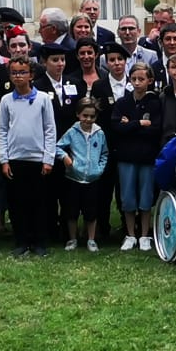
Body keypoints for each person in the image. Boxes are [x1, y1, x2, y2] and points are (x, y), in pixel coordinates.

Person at [0, 56, 57, 258]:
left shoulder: (42, 99)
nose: (18, 76)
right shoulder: (6, 100)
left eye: (22, 72)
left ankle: (39, 241)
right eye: (14, 72)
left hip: (37, 159)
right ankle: (21, 241)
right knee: (17, 203)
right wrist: (4, 159)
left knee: (39, 203)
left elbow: (50, 129)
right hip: (15, 159)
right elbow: (2, 130)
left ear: (31, 75)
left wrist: (48, 158)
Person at [111, 61, 163, 251]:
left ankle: (144, 235)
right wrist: (139, 123)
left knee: (146, 196)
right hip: (126, 156)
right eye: (133, 79)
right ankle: (130, 234)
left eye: (141, 79)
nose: (137, 82)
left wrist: (130, 124)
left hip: (147, 157)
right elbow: (117, 127)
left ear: (149, 80)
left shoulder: (155, 102)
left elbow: (155, 130)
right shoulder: (122, 102)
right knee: (127, 196)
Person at [57, 98, 109, 252]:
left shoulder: (99, 133)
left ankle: (91, 239)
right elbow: (58, 147)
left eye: (92, 116)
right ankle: (72, 239)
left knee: (91, 212)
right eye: (85, 115)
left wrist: (99, 169)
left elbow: (104, 153)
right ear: (78, 115)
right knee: (72, 211)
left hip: (92, 179)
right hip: (74, 178)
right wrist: (65, 158)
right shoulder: (72, 132)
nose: (88, 119)